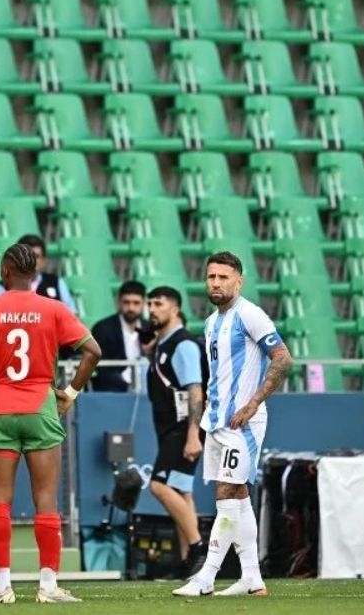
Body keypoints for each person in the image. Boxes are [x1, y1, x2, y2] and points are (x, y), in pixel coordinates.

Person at [0, 243, 102, 604]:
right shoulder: (53, 309)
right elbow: (94, 351)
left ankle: (2, 586)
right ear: (33, 273)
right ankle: (47, 586)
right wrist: (70, 392)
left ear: (6, 270)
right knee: (45, 500)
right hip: (41, 406)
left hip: (0, 406)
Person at [173, 252, 293, 598]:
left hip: (244, 423)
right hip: (218, 422)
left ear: (238, 281)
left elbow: (283, 358)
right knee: (237, 495)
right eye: (211, 277)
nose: (216, 283)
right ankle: (252, 576)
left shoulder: (250, 315)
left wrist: (253, 403)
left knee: (225, 493)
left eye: (224, 277)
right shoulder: (212, 323)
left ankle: (207, 576)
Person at [144, 286, 207, 580]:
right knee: (182, 491)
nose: (152, 309)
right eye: (150, 304)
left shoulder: (184, 345)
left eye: (158, 303)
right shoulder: (162, 345)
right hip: (169, 428)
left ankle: (197, 548)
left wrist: (193, 435)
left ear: (175, 309)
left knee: (159, 486)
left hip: (183, 429)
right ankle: (188, 564)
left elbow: (196, 391)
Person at [0, 235, 77, 313]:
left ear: (44, 260)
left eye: (36, 256)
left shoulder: (56, 283)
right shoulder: (3, 288)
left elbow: (72, 318)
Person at [89, 281, 146, 392]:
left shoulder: (150, 328)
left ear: (144, 303)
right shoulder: (103, 328)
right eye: (126, 302)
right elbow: (100, 366)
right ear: (118, 302)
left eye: (136, 303)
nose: (131, 308)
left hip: (145, 388)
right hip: (112, 389)